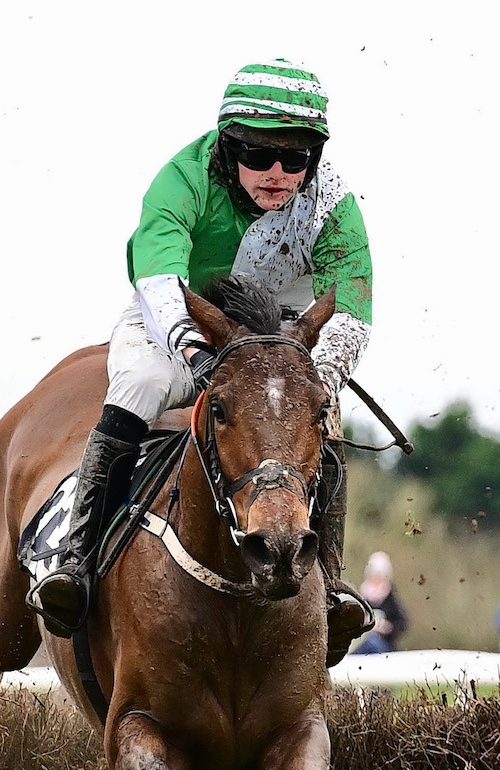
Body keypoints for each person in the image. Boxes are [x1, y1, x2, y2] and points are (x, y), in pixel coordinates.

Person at [27, 60, 376, 666]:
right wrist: (192, 348)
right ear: (227, 145)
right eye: (259, 155)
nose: (277, 174)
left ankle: (333, 588)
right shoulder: (182, 180)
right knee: (138, 381)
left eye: (295, 160)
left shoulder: (334, 204)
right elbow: (159, 277)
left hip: (276, 338)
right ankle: (75, 562)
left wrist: (315, 381)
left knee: (326, 417)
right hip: (182, 317)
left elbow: (351, 308)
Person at [350, 550, 408, 655]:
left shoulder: (391, 597)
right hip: (361, 643)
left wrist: (388, 628)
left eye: (380, 574)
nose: (376, 577)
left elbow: (402, 623)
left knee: (373, 644)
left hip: (384, 645)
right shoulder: (361, 595)